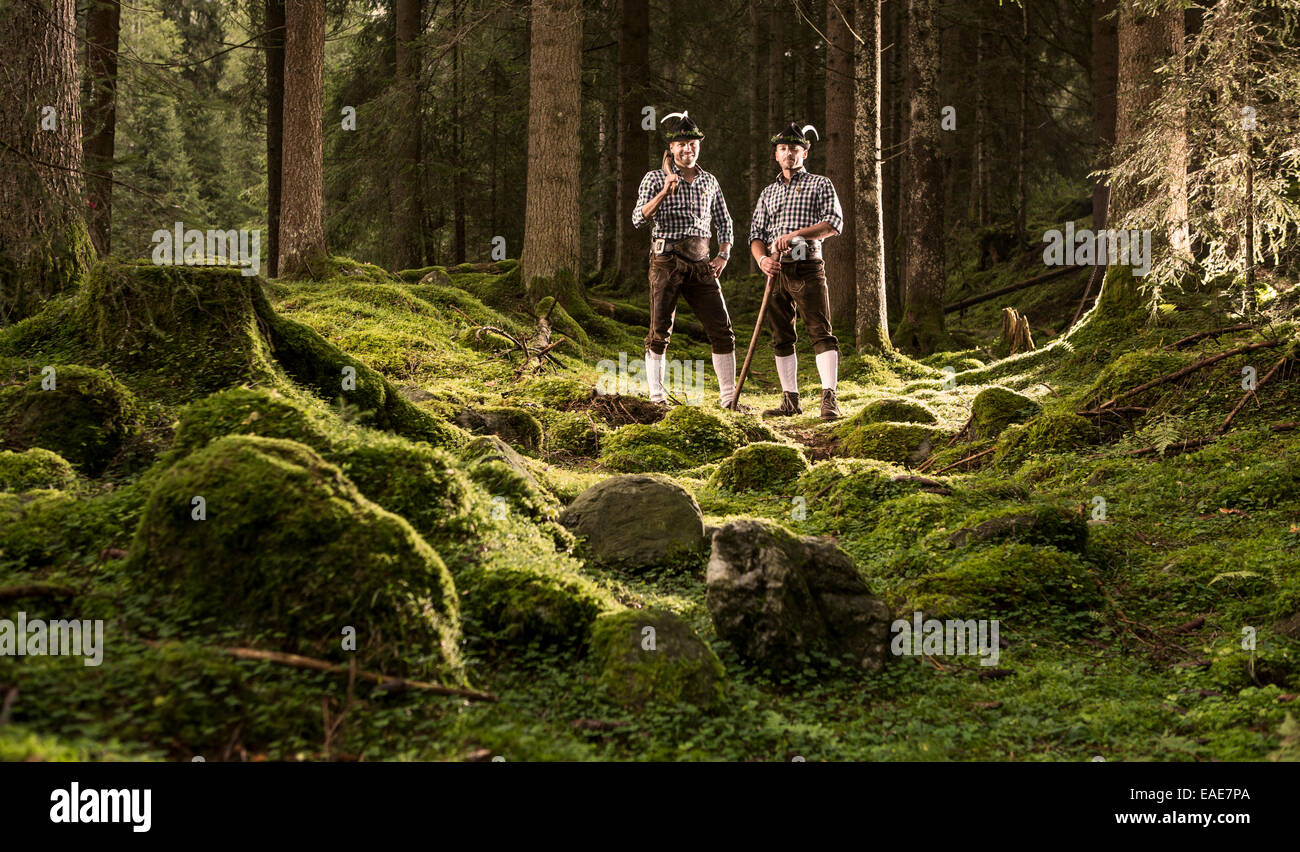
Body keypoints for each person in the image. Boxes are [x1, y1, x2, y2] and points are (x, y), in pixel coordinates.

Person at [631, 111, 739, 408]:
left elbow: (725, 221)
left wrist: (724, 255)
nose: (687, 149)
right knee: (659, 331)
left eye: (692, 143)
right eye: (681, 144)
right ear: (672, 148)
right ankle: (656, 398)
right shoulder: (654, 179)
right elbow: (637, 218)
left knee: (722, 329)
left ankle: (729, 398)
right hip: (666, 262)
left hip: (702, 265)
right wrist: (666, 189)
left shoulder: (710, 181)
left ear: (698, 146)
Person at [748, 122, 844, 420]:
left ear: (804, 152)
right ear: (776, 155)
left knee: (820, 332)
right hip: (775, 273)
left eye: (794, 148)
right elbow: (756, 235)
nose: (788, 153)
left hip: (808, 266)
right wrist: (762, 261)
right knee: (781, 336)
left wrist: (796, 235)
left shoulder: (820, 184)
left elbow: (833, 224)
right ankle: (790, 400)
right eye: (783, 149)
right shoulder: (768, 193)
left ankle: (829, 398)